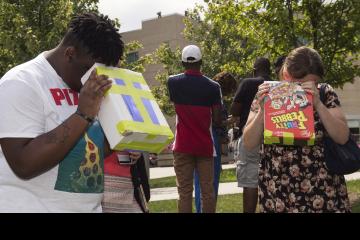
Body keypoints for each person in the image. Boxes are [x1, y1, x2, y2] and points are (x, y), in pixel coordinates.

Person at [0, 12, 141, 212]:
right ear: (70, 54)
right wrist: (82, 114)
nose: (95, 77)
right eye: (90, 69)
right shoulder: (21, 82)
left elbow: (88, 151)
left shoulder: (91, 88)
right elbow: (24, 163)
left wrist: (126, 135)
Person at [243, 46, 351, 213]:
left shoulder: (324, 92)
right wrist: (263, 112)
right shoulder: (266, 93)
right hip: (278, 193)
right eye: (302, 83)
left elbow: (342, 137)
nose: (309, 87)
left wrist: (318, 104)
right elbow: (249, 143)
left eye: (314, 82)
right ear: (287, 75)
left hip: (323, 193)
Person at [167, 45, 222, 213]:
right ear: (202, 62)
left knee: (184, 193)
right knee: (207, 192)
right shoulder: (213, 87)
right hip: (204, 146)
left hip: (182, 146)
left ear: (182, 63)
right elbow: (218, 119)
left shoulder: (172, 82)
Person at [228, 57, 272, 213]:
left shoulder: (247, 83)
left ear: (254, 71)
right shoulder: (276, 85)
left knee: (250, 183)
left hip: (251, 134)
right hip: (271, 138)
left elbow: (234, 110)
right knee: (271, 180)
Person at [194, 71, 236, 213]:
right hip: (212, 141)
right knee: (210, 181)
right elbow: (216, 121)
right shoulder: (216, 96)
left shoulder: (205, 93)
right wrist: (230, 121)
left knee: (201, 181)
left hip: (201, 140)